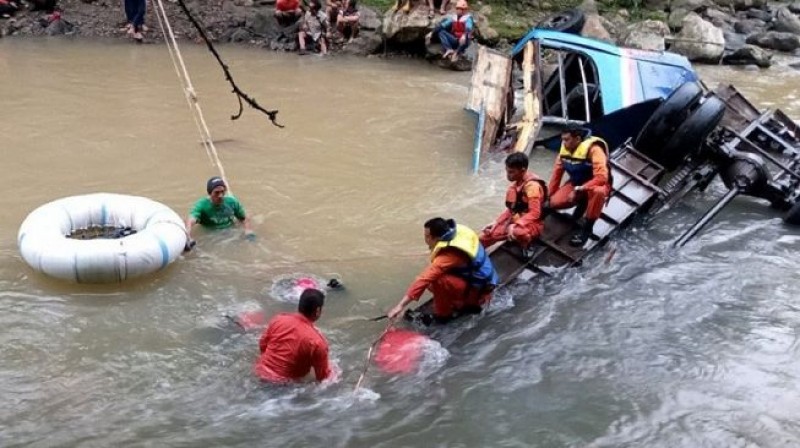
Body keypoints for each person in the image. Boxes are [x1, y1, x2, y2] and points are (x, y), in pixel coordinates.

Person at [387, 218, 498, 324]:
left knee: (436, 280)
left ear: (436, 238)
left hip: (477, 291)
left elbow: (424, 279)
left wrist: (400, 306)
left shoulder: (449, 255)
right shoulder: (459, 230)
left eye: (427, 236)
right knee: (433, 277)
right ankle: (454, 301)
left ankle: (443, 316)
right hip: (484, 279)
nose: (426, 239)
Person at [548, 125, 612, 247]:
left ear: (577, 139)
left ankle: (587, 229)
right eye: (563, 139)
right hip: (577, 183)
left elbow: (602, 177)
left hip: (596, 185)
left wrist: (580, 189)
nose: (564, 143)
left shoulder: (594, 149)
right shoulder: (564, 150)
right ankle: (583, 201)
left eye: (567, 139)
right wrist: (548, 198)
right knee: (554, 202)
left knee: (598, 192)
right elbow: (556, 175)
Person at [254, 288, 336, 383]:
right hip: (284, 386)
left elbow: (262, 345)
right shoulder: (317, 342)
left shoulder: (279, 319)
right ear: (318, 311)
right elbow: (323, 378)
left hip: (260, 373)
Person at [479, 152, 547, 254]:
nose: (508, 175)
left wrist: (515, 225)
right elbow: (512, 209)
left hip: (533, 223)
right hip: (518, 218)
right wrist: (496, 222)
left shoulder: (532, 187)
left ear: (522, 170)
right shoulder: (517, 185)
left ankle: (527, 243)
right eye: (507, 171)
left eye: (511, 172)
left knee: (517, 232)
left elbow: (535, 213)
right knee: (485, 236)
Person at [185, 176, 254, 248]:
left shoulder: (232, 202)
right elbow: (190, 220)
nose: (220, 195)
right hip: (211, 235)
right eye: (216, 193)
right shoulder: (201, 205)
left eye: (222, 192)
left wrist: (248, 230)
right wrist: (188, 236)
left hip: (231, 232)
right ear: (210, 193)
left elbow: (244, 218)